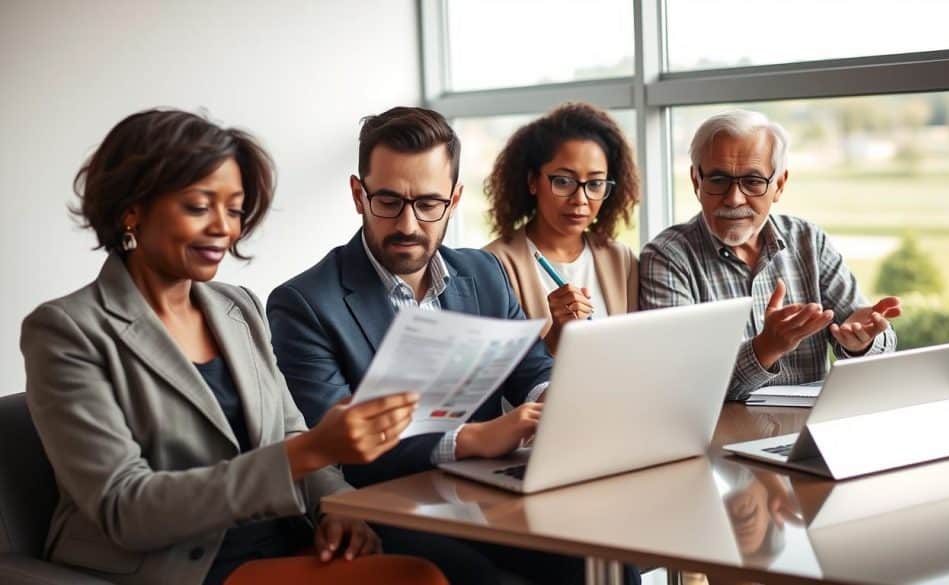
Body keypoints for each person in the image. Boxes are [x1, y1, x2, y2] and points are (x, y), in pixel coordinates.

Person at [20, 109, 446, 585]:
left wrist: (336, 509)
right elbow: (126, 508)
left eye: (235, 208)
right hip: (179, 568)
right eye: (200, 206)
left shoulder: (237, 307)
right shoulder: (66, 330)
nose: (224, 228)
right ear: (130, 209)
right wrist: (308, 452)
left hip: (285, 541)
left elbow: (287, 432)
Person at [267, 106, 638, 585]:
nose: (408, 224)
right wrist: (469, 439)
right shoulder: (305, 303)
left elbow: (532, 368)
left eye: (428, 204)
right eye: (388, 201)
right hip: (389, 504)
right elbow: (332, 444)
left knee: (606, 555)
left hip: (486, 492)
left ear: (455, 199)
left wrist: (551, 404)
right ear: (358, 195)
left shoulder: (482, 274)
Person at [639, 109, 901, 400]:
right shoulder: (667, 257)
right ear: (696, 181)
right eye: (718, 179)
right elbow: (678, 386)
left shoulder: (809, 242)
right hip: (717, 440)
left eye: (752, 181)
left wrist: (862, 341)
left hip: (805, 433)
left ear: (779, 185)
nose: (734, 198)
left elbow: (872, 341)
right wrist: (765, 348)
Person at [484, 102, 640, 353]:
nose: (580, 199)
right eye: (564, 181)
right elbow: (502, 380)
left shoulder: (621, 260)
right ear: (533, 181)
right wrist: (556, 336)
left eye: (595, 183)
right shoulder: (494, 264)